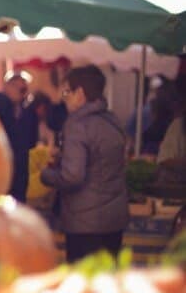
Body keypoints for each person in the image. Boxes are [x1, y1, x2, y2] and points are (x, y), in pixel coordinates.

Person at [41, 65, 128, 263]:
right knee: (107, 284)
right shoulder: (112, 121)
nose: (64, 98)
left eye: (66, 92)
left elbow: (73, 176)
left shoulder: (77, 125)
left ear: (80, 93)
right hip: (114, 221)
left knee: (84, 285)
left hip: (85, 224)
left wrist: (46, 175)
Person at [4, 74, 39, 202]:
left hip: (20, 169)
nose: (20, 92)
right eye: (16, 87)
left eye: (23, 89)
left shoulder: (29, 113)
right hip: (3, 166)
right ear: (7, 86)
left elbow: (32, 141)